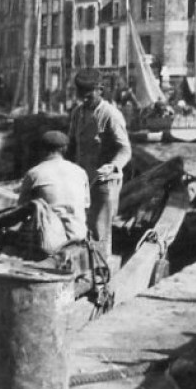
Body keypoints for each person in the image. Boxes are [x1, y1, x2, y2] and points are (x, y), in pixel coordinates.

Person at [66, 69, 132, 256]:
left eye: (89, 96)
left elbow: (125, 149)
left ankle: (102, 272)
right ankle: (87, 266)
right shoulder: (77, 113)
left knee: (99, 228)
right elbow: (72, 145)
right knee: (80, 224)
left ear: (100, 90)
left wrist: (114, 165)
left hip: (105, 181)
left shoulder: (111, 115)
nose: (85, 100)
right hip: (82, 179)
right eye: (82, 97)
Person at [11, 129, 90, 256]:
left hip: (51, 243)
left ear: (42, 150)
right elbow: (86, 207)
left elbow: (21, 211)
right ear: (64, 149)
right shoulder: (80, 172)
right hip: (78, 234)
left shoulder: (34, 173)